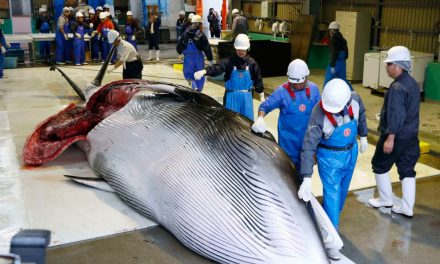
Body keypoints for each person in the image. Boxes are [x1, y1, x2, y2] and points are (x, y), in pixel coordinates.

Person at [298, 78, 368, 244]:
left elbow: (362, 115)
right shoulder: (318, 113)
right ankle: (331, 236)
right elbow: (308, 146)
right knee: (333, 194)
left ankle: (331, 217)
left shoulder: (356, 99)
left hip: (351, 152)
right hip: (329, 158)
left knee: (342, 191)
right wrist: (307, 177)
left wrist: (363, 136)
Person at [368, 46, 420, 218]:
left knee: (379, 164)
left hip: (396, 136)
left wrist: (390, 137)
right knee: (407, 170)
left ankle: (385, 200)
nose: (386, 67)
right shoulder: (412, 83)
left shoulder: (397, 87)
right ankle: (407, 208)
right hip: (411, 136)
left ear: (398, 65)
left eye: (389, 63)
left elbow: (397, 115)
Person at [252, 59, 320, 172]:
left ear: (307, 77)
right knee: (289, 175)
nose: (296, 86)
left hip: (308, 144)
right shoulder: (282, 91)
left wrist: (317, 148)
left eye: (299, 83)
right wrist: (260, 118)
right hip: (288, 145)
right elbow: (265, 106)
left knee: (305, 177)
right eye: (293, 83)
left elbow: (320, 113)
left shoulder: (314, 89)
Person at [194, 34, 264, 121]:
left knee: (247, 123)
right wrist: (205, 71)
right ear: (235, 48)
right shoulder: (229, 61)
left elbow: (258, 78)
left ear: (247, 48)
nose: (240, 51)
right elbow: (218, 67)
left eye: (243, 49)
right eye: (238, 49)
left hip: (246, 98)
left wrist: (261, 94)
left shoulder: (252, 63)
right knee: (230, 122)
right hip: (231, 97)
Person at [176, 15, 213, 92]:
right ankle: (198, 91)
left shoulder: (185, 33)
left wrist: (179, 53)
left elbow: (179, 44)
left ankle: (193, 84)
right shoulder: (200, 34)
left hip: (188, 58)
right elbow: (206, 47)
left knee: (188, 74)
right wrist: (210, 59)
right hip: (198, 58)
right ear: (199, 23)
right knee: (199, 75)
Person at [323, 21, 352, 90]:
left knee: (328, 81)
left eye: (330, 30)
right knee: (343, 81)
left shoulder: (333, 40)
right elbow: (346, 55)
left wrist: (332, 65)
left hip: (334, 63)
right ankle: (352, 94)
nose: (329, 32)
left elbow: (333, 53)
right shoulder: (344, 40)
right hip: (342, 64)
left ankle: (324, 97)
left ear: (332, 31)